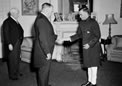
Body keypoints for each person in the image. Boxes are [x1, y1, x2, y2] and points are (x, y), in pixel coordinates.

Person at [60, 6, 101, 86]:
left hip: (93, 47)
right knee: (88, 64)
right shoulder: (81, 23)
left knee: (93, 65)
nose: (80, 16)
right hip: (85, 47)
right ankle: (89, 81)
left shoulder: (93, 22)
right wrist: (66, 38)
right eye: (79, 15)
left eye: (81, 14)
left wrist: (89, 44)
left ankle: (94, 83)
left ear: (86, 13)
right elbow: (79, 34)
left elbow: (97, 36)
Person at [32, 3, 57, 86]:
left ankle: (45, 84)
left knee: (45, 71)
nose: (52, 13)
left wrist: (56, 37)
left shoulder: (42, 18)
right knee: (43, 71)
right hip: (43, 51)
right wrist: (47, 52)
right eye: (51, 11)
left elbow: (48, 34)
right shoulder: (42, 20)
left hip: (43, 49)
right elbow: (42, 37)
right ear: (46, 10)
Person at [2, 8, 24, 80]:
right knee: (12, 60)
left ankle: (16, 72)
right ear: (13, 14)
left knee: (17, 59)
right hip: (12, 44)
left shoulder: (16, 21)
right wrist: (9, 44)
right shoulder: (7, 22)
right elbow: (6, 33)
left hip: (17, 43)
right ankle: (12, 75)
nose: (18, 14)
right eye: (17, 13)